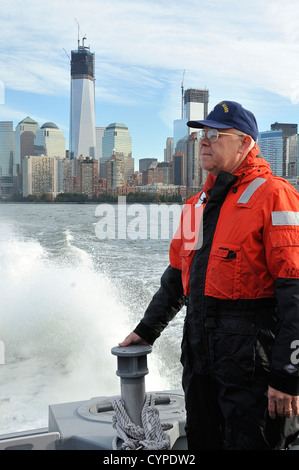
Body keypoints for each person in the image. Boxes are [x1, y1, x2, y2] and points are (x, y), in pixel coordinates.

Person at [119, 101, 299, 450]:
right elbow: (175, 280)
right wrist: (145, 332)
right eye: (203, 134)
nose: (204, 141)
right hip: (200, 361)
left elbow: (295, 291)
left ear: (245, 143)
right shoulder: (195, 204)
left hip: (253, 368)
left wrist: (288, 375)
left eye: (216, 134)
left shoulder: (275, 195)